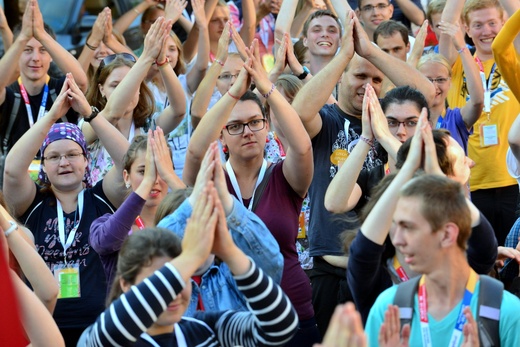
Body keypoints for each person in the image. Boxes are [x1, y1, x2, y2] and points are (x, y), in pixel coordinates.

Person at [291, 10, 434, 335]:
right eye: (359, 76)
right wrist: (345, 55)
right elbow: (299, 112)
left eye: (376, 79)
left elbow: (424, 94)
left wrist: (369, 51)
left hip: (383, 267)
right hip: (329, 269)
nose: (368, 85)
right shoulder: (325, 119)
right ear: (341, 76)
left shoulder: (395, 125)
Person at [184, 41, 319, 346]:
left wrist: (266, 87)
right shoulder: (211, 179)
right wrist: (232, 92)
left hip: (290, 311)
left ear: (267, 126)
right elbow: (194, 150)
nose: (247, 131)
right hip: (228, 317)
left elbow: (302, 146)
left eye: (255, 122)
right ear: (222, 135)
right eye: (235, 126)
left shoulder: (284, 176)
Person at [77, 185, 299, 346]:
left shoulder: (205, 328)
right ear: (126, 285)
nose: (173, 292)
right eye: (165, 278)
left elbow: (280, 326)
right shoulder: (108, 337)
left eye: (181, 278)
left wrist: (229, 251)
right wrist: (190, 257)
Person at [2, 73, 130, 346]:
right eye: (54, 157)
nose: (63, 163)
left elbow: (129, 162)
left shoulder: (102, 198)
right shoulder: (33, 202)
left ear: (86, 161)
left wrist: (90, 114)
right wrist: (50, 117)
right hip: (44, 327)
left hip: (100, 326)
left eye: (72, 155)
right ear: (44, 166)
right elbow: (12, 170)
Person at [365, 173, 520, 346]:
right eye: (395, 226)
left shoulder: (507, 312)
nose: (397, 240)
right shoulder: (389, 308)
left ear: (447, 234)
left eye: (408, 227)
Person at [157, 142, 284, 316]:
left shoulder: (230, 277)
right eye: (188, 231)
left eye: (207, 225)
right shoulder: (161, 282)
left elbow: (271, 263)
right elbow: (155, 247)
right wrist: (193, 201)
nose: (198, 238)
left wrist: (227, 202)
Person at [441, 0, 520, 246]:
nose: (486, 31)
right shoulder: (456, 62)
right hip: (470, 181)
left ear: (504, 23)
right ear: (465, 27)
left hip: (511, 181)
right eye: (477, 25)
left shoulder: (513, 57)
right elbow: (446, 23)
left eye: (492, 23)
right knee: (479, 257)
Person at [83, 17, 187, 184]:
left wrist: (162, 62)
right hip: (103, 209)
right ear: (101, 90)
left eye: (131, 85)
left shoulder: (149, 126)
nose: (126, 91)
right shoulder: (91, 122)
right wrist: (146, 57)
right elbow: (113, 112)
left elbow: (179, 110)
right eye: (115, 85)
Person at [89, 130, 185, 290]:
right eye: (144, 171)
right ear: (126, 177)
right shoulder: (105, 223)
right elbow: (105, 241)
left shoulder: (183, 220)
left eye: (160, 171)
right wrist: (147, 181)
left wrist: (170, 176)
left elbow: (211, 225)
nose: (154, 179)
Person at [0, 0, 87, 157]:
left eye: (43, 50)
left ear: (52, 56)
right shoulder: (9, 95)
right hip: (18, 179)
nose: (36, 58)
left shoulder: (60, 90)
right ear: (17, 54)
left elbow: (81, 82)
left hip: (60, 177)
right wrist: (22, 37)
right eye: (27, 50)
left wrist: (41, 35)